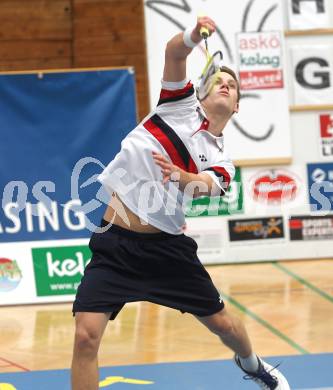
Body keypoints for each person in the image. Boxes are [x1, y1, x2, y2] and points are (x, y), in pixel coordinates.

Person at [71, 16, 290, 390]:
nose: (225, 85)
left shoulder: (222, 161)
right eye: (219, 80)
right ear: (203, 92)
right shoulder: (178, 104)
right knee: (85, 337)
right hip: (116, 246)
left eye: (232, 86)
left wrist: (183, 177)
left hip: (166, 251)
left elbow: (209, 185)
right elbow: (174, 51)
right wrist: (192, 34)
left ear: (236, 106)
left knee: (224, 326)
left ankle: (253, 365)